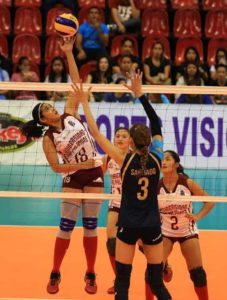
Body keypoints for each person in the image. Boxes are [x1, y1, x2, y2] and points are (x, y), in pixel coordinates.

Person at [73, 70, 172, 300]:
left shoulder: (123, 159)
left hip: (128, 224)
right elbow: (156, 122)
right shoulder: (158, 156)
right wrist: (140, 95)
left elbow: (96, 134)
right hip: (152, 225)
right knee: (157, 283)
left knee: (122, 284)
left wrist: (85, 102)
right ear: (149, 141)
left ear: (131, 143)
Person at [21, 37, 104, 296]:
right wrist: (79, 164)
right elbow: (56, 168)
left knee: (90, 225)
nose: (52, 107)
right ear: (43, 118)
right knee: (66, 227)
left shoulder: (70, 112)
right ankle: (55, 271)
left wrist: (68, 52)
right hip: (74, 178)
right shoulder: (48, 138)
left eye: (50, 104)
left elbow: (76, 82)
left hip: (94, 176)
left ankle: (90, 272)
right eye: (47, 107)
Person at [158, 150, 215, 300]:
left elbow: (210, 201)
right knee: (152, 274)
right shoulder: (156, 186)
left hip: (187, 232)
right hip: (165, 232)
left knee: (198, 274)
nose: (163, 162)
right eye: (162, 160)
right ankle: (164, 267)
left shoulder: (186, 183)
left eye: (168, 159)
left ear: (176, 164)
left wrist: (197, 216)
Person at [102, 127, 130, 294]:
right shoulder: (108, 158)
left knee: (143, 244)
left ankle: (163, 263)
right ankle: (119, 281)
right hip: (115, 203)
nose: (120, 138)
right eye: (117, 136)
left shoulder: (135, 158)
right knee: (111, 243)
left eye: (124, 136)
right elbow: (96, 177)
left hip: (134, 205)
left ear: (130, 141)